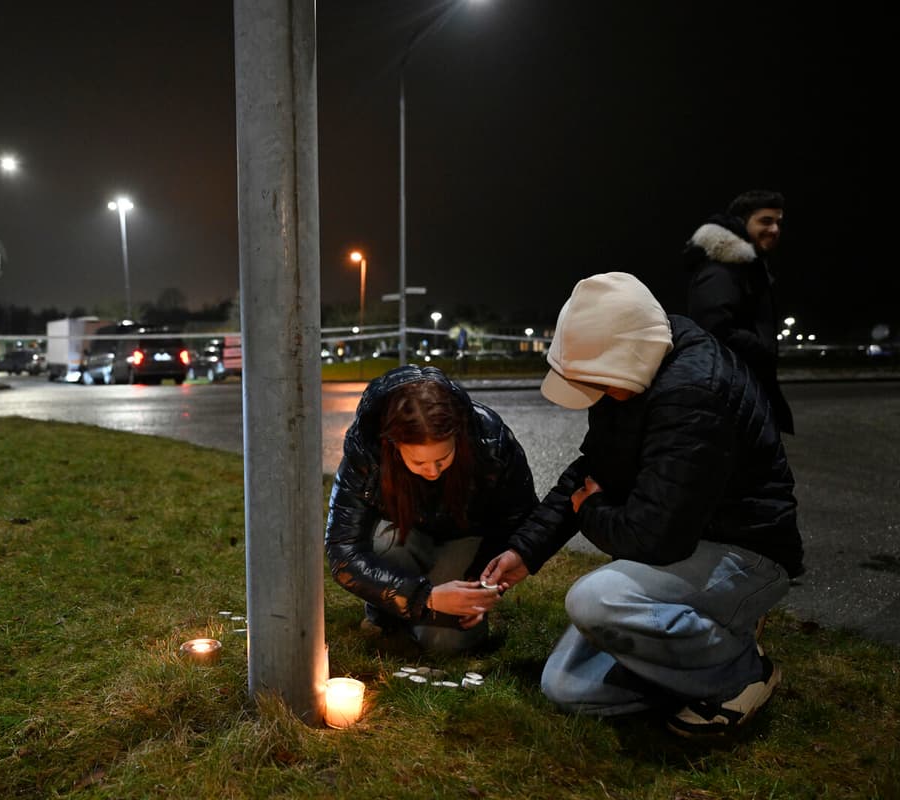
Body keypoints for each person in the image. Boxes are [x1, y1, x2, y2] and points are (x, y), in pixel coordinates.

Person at [482, 272, 804, 738]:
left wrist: (590, 509)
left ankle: (741, 672)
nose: (597, 396)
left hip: (744, 550)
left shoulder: (693, 392)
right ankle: (702, 658)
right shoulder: (638, 367)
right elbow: (591, 471)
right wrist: (525, 552)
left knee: (595, 599)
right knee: (564, 687)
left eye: (599, 385)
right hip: (684, 543)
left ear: (623, 358)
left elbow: (653, 537)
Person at [325, 365, 537, 654]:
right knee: (383, 543)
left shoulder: (490, 439)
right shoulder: (367, 449)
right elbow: (343, 551)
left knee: (445, 643)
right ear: (394, 445)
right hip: (403, 535)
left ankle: (408, 614)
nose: (433, 472)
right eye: (420, 463)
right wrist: (426, 597)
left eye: (443, 458)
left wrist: (482, 584)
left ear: (458, 436)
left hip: (466, 540)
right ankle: (389, 613)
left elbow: (520, 518)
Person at [683, 189, 793, 434]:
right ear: (741, 222)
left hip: (742, 393)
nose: (775, 230)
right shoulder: (721, 271)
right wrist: (760, 348)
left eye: (779, 222)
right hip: (731, 399)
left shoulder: (746, 268)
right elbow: (712, 331)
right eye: (765, 221)